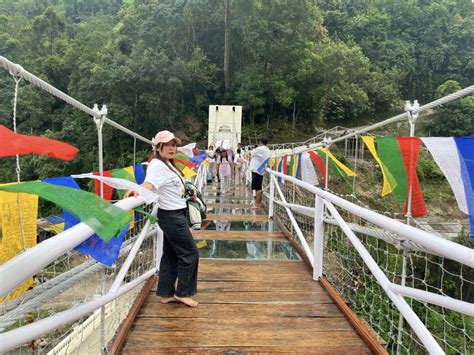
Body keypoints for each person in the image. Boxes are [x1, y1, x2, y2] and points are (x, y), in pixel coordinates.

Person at [124, 130, 199, 307]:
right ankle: (182, 292)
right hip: (172, 217)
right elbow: (149, 184)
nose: (172, 148)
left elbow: (172, 186)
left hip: (175, 213)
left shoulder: (167, 164)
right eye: (168, 145)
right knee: (190, 253)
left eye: (174, 145)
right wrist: (138, 190)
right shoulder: (157, 165)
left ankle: (166, 293)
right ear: (158, 147)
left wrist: (189, 193)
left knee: (171, 255)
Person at [249, 137, 271, 208]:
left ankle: (257, 204)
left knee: (257, 187)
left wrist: (254, 153)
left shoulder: (260, 149)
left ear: (260, 142)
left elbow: (251, 153)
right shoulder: (267, 149)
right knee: (259, 186)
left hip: (256, 169)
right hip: (261, 169)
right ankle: (260, 202)